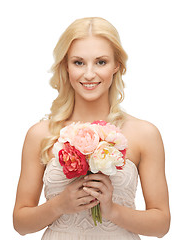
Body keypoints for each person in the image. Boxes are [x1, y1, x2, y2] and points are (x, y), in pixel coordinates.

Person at [13, 17, 170, 239]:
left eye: (101, 62)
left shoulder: (144, 134)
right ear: (66, 66)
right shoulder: (40, 134)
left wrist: (113, 210)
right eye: (78, 62)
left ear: (117, 65)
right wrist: (59, 205)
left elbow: (161, 225)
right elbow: (21, 224)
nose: (89, 74)